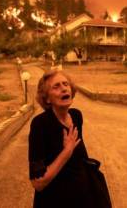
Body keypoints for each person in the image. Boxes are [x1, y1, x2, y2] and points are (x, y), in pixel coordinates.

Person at [28, 69, 111, 208]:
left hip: (85, 199)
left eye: (65, 84)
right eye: (56, 86)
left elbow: (79, 161)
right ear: (47, 98)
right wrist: (66, 152)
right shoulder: (40, 124)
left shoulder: (76, 116)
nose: (63, 89)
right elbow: (38, 183)